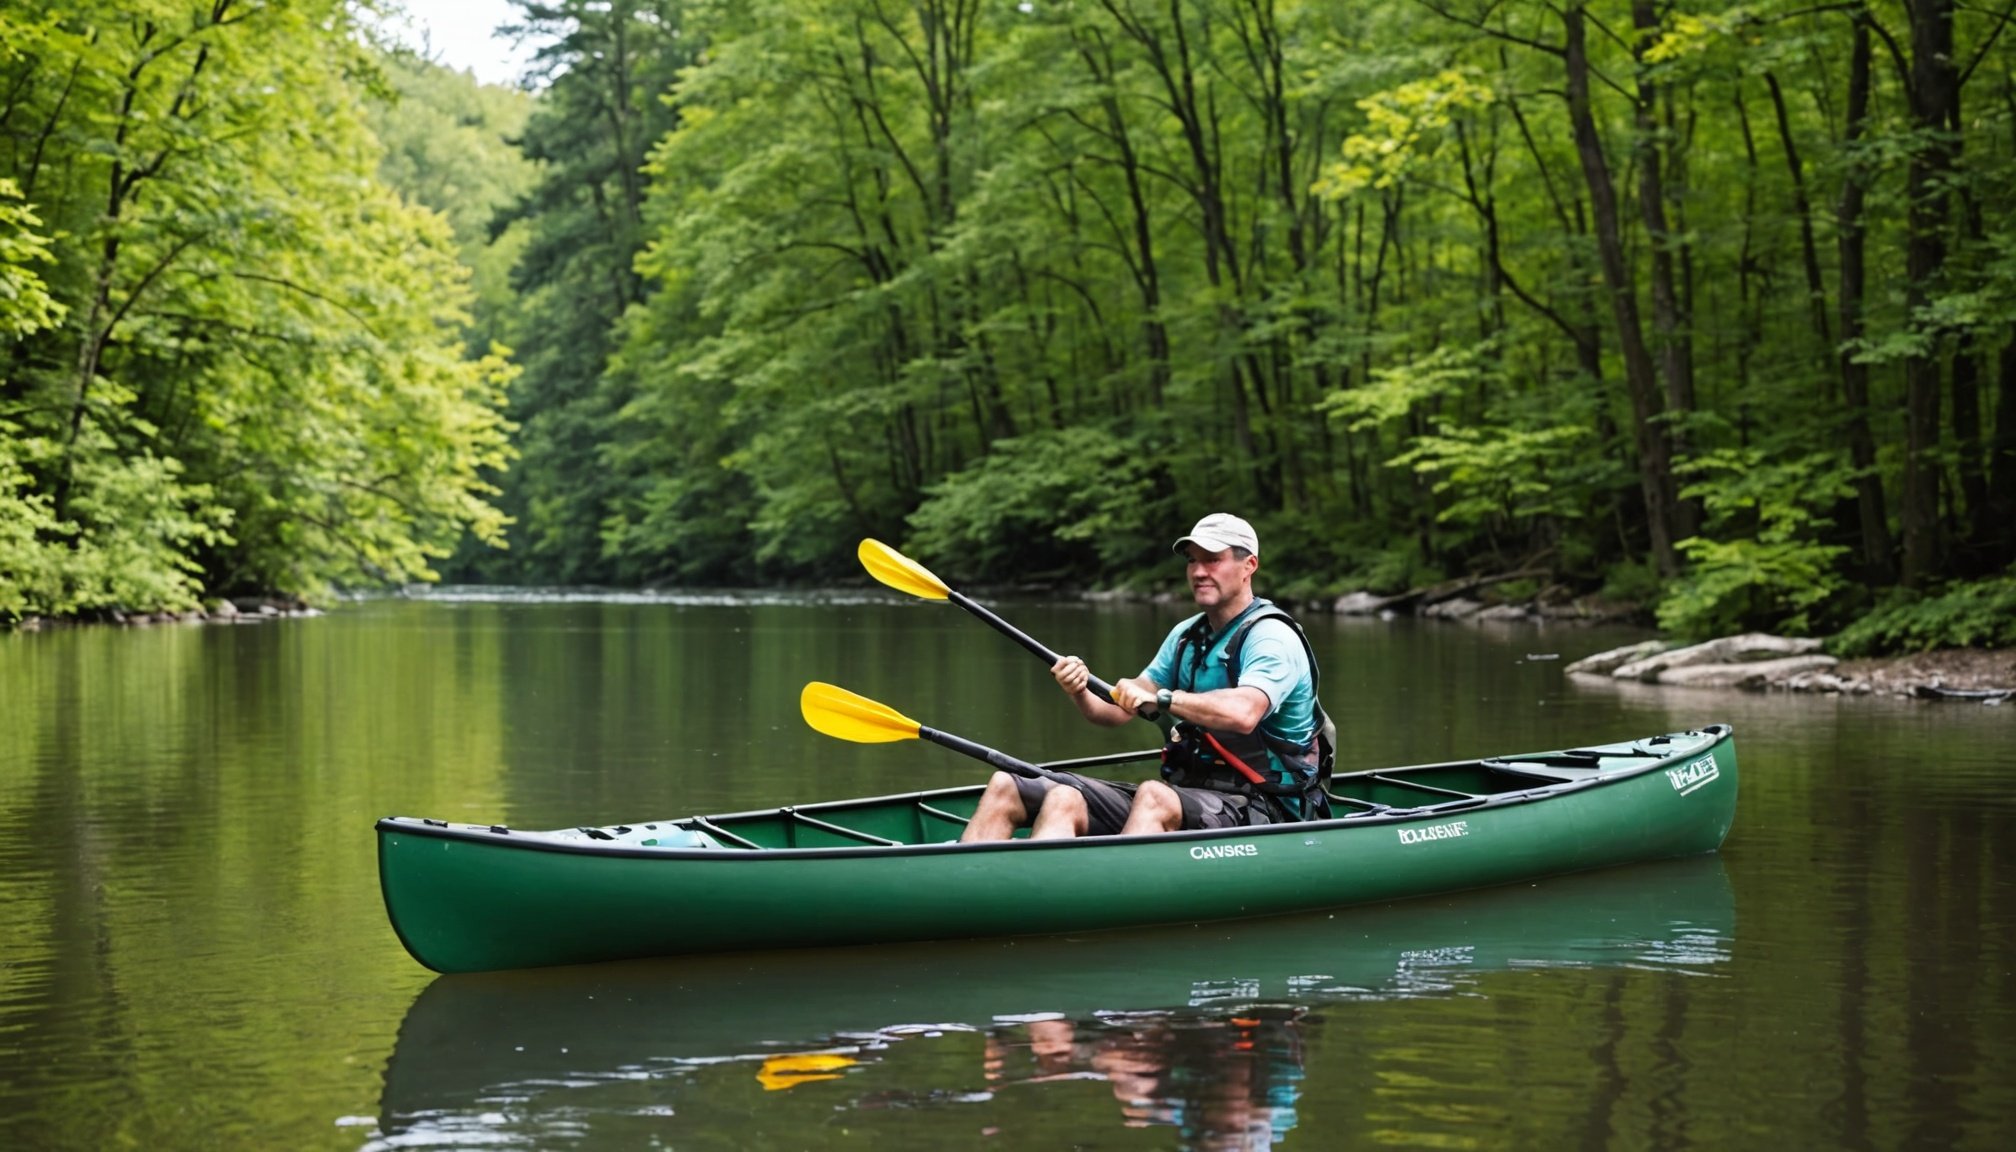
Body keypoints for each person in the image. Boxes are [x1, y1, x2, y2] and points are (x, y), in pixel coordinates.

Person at [960, 513, 1331, 842]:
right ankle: (979, 883)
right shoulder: (1187, 637)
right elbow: (1115, 711)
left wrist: (1166, 698)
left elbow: (1244, 713)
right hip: (1192, 797)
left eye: (1213, 560)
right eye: (1193, 561)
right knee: (1025, 788)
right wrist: (1079, 688)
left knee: (1153, 796)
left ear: (1249, 565)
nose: (1199, 572)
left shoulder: (1272, 637)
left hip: (1268, 810)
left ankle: (1110, 887)